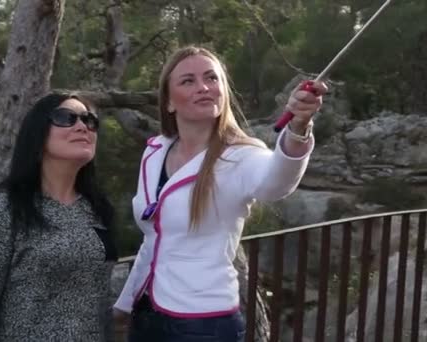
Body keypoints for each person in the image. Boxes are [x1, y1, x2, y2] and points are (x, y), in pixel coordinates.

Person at [113, 46, 327, 341]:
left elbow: (277, 182)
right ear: (169, 102)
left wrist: (298, 128)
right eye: (188, 81)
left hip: (204, 325)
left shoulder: (240, 156)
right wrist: (124, 305)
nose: (204, 87)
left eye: (212, 78)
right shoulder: (154, 152)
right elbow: (153, 238)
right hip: (146, 315)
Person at [0, 91, 118, 342]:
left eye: (89, 120)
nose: (82, 126)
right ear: (37, 134)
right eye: (66, 118)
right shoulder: (4, 206)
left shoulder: (97, 210)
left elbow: (101, 302)